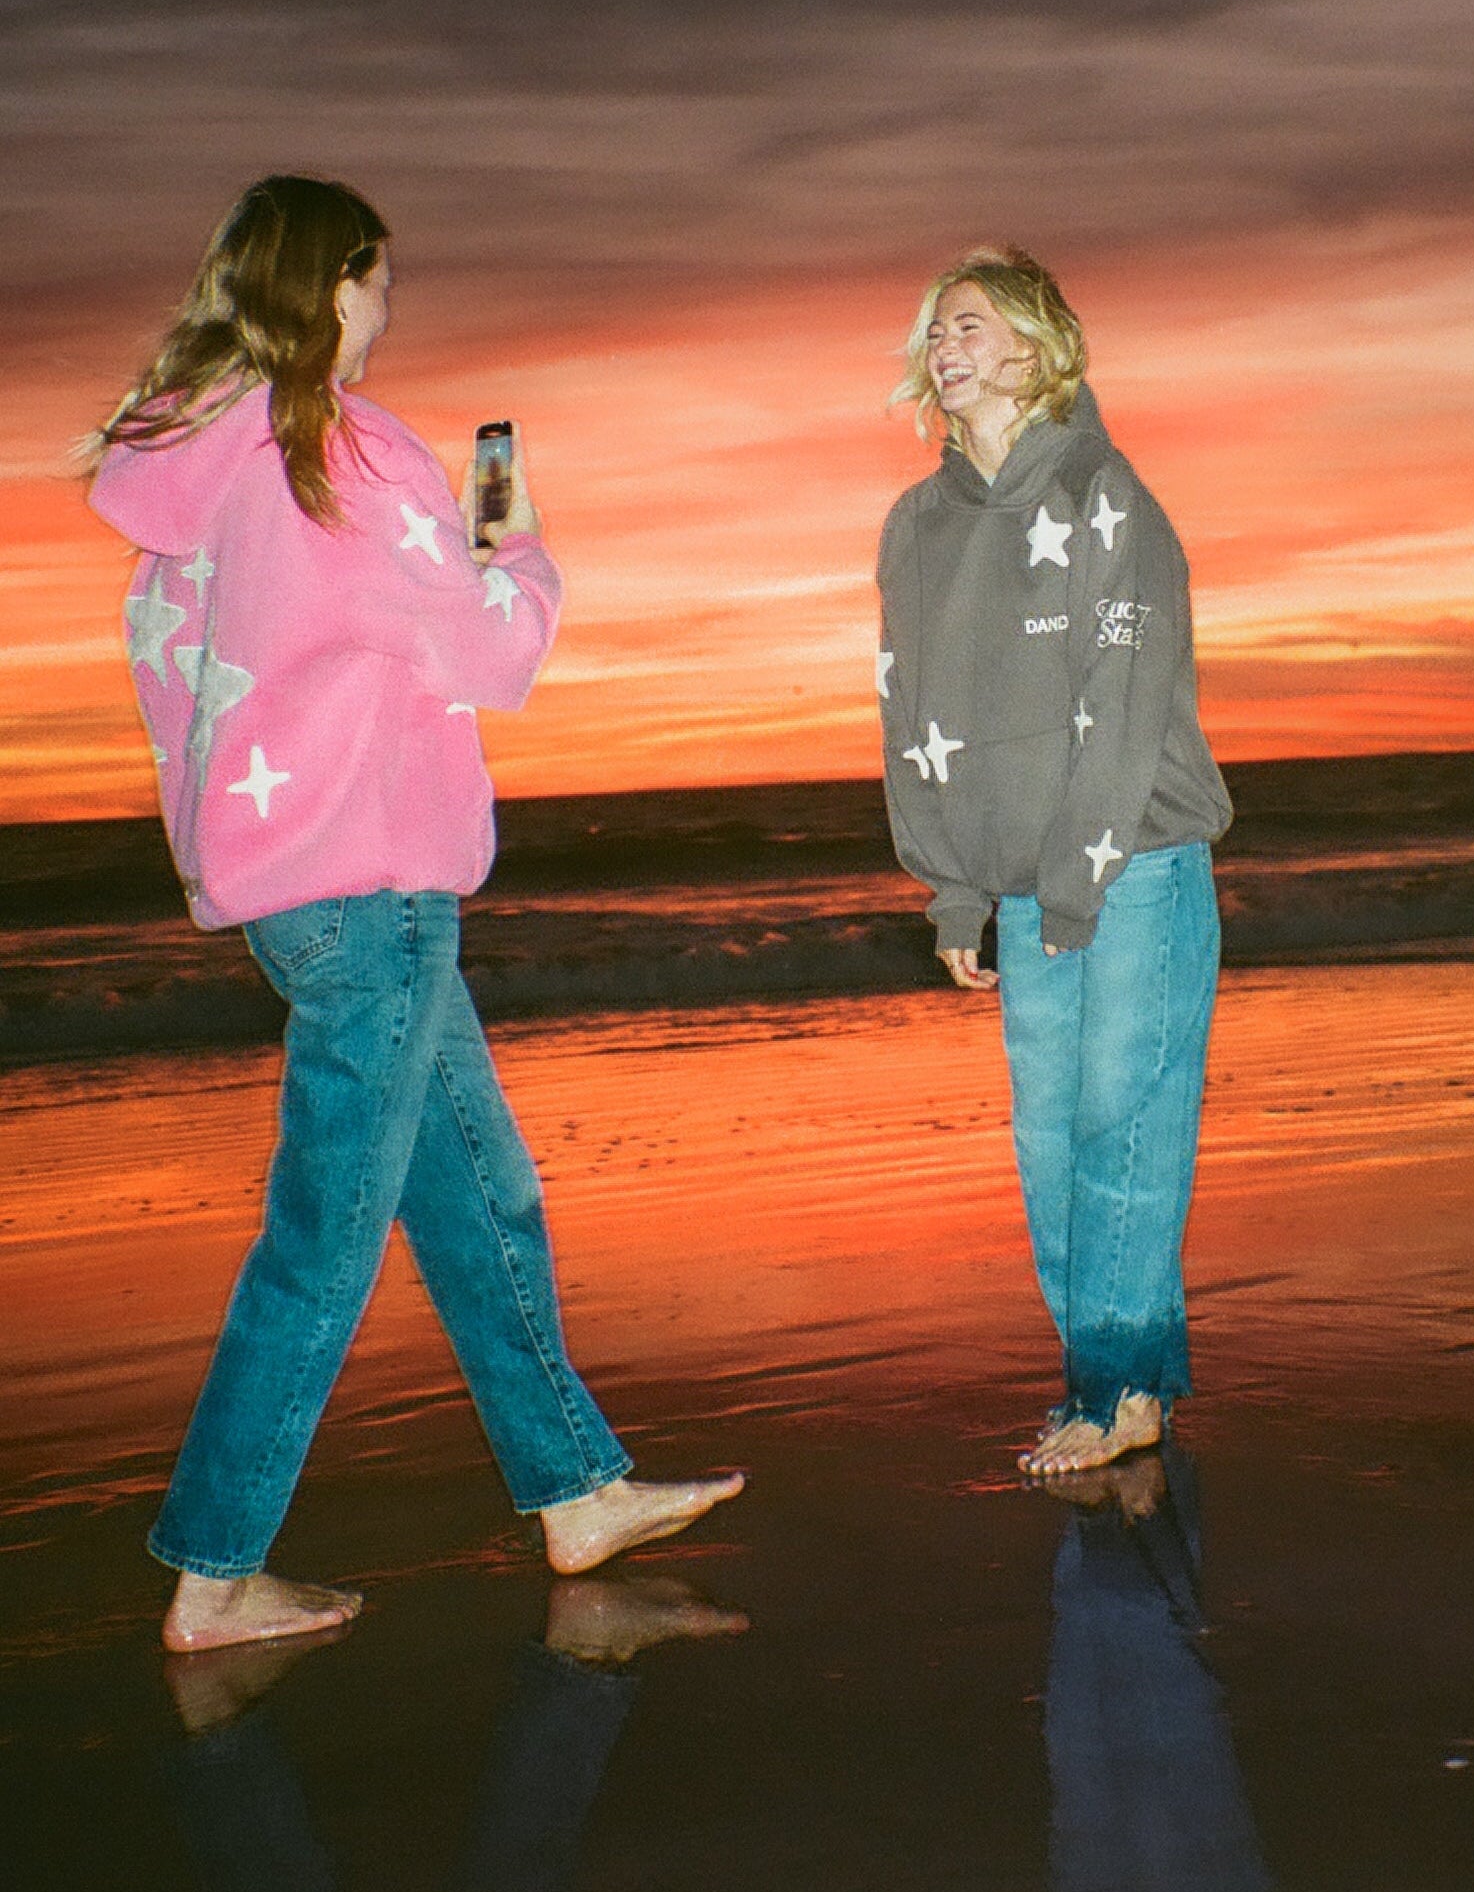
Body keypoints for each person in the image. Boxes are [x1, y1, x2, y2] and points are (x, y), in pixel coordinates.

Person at [86, 175, 743, 1653]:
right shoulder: (346, 455)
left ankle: (577, 1488)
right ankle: (215, 1571)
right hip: (369, 888)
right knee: (324, 1241)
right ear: (337, 286)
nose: (387, 307)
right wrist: (520, 545)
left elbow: (185, 675)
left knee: (478, 1195)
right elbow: (489, 653)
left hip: (292, 889)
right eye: (379, 281)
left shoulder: (193, 463)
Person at [876, 247, 1232, 1474]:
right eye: (933, 330)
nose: (943, 345)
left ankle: (1108, 1388)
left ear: (1033, 350)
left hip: (1135, 865)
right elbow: (910, 715)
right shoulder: (916, 528)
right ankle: (1126, 1381)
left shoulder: (1101, 493)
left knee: (1122, 1132)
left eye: (968, 324)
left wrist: (1076, 880)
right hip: (1030, 887)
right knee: (1051, 1146)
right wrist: (953, 890)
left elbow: (1121, 701)